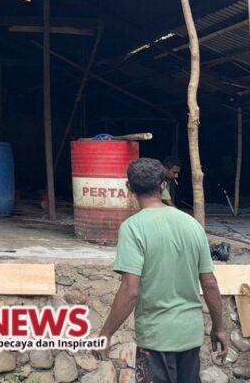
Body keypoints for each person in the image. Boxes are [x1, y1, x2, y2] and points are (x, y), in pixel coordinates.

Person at [96, 157, 228, 382]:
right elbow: (210, 283)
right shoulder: (192, 225)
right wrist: (219, 327)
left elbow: (130, 290)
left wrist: (106, 334)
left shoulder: (133, 228)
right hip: (190, 336)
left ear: (129, 188)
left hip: (156, 338)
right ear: (163, 186)